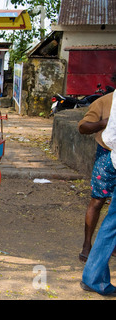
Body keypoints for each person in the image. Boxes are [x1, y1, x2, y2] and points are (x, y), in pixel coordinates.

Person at [81, 91, 116, 296]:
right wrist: (102, 123)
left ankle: (95, 276)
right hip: (107, 158)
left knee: (112, 222)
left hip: (111, 156)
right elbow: (83, 127)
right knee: (97, 202)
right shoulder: (104, 102)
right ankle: (87, 247)